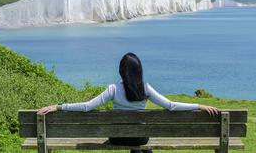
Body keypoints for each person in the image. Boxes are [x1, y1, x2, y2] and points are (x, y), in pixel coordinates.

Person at [37, 52, 218, 153]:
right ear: (139, 70)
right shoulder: (146, 88)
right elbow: (171, 106)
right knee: (140, 145)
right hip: (140, 137)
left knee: (134, 142)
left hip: (117, 137)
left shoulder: (113, 89)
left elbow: (87, 107)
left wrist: (58, 106)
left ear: (122, 71)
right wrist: (199, 106)